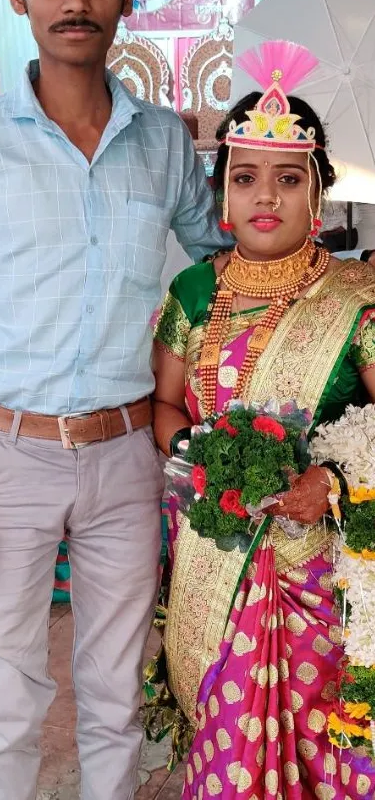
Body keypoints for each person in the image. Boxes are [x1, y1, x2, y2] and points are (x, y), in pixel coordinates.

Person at [0, 0, 224, 798]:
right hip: (3, 455)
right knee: (9, 700)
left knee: (115, 700)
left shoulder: (160, 142)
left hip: (125, 455)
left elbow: (221, 270)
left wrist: (324, 270)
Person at [152, 42, 375, 798]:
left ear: (319, 192)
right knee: (226, 742)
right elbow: (164, 405)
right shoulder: (191, 291)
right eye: (244, 178)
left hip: (321, 567)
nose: (265, 196)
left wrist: (331, 478)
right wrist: (197, 458)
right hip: (216, 551)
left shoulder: (356, 297)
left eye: (288, 178)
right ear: (221, 194)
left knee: (327, 752)